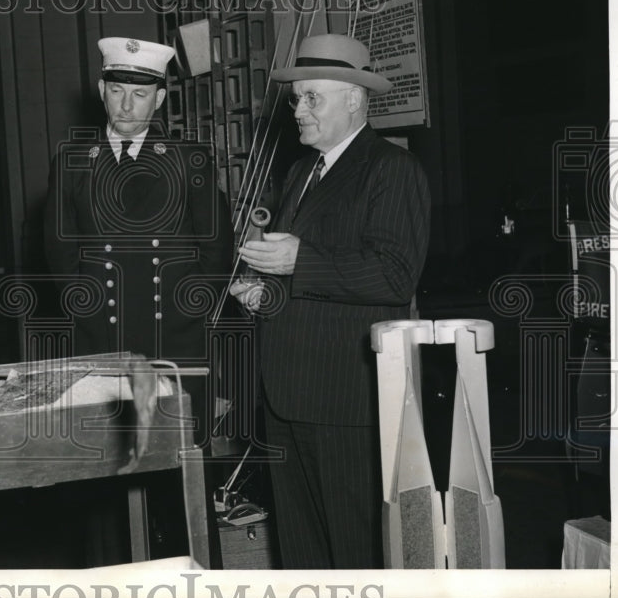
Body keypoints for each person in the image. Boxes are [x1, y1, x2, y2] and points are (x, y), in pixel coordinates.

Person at [230, 32, 431, 569]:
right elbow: (302, 273)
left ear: (355, 99)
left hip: (346, 400)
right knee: (303, 555)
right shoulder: (299, 174)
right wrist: (263, 292)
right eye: (297, 98)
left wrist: (298, 262)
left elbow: (394, 277)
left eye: (312, 97)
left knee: (356, 550)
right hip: (287, 396)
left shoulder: (392, 170)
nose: (298, 110)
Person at [43, 36, 233, 565]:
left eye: (140, 95)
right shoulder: (73, 161)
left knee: (180, 481)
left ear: (160, 99)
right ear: (102, 91)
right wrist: (87, 321)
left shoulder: (190, 160)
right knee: (105, 484)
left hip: (174, 341)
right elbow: (59, 255)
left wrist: (192, 324)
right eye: (118, 91)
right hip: (101, 345)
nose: (128, 105)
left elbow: (216, 251)